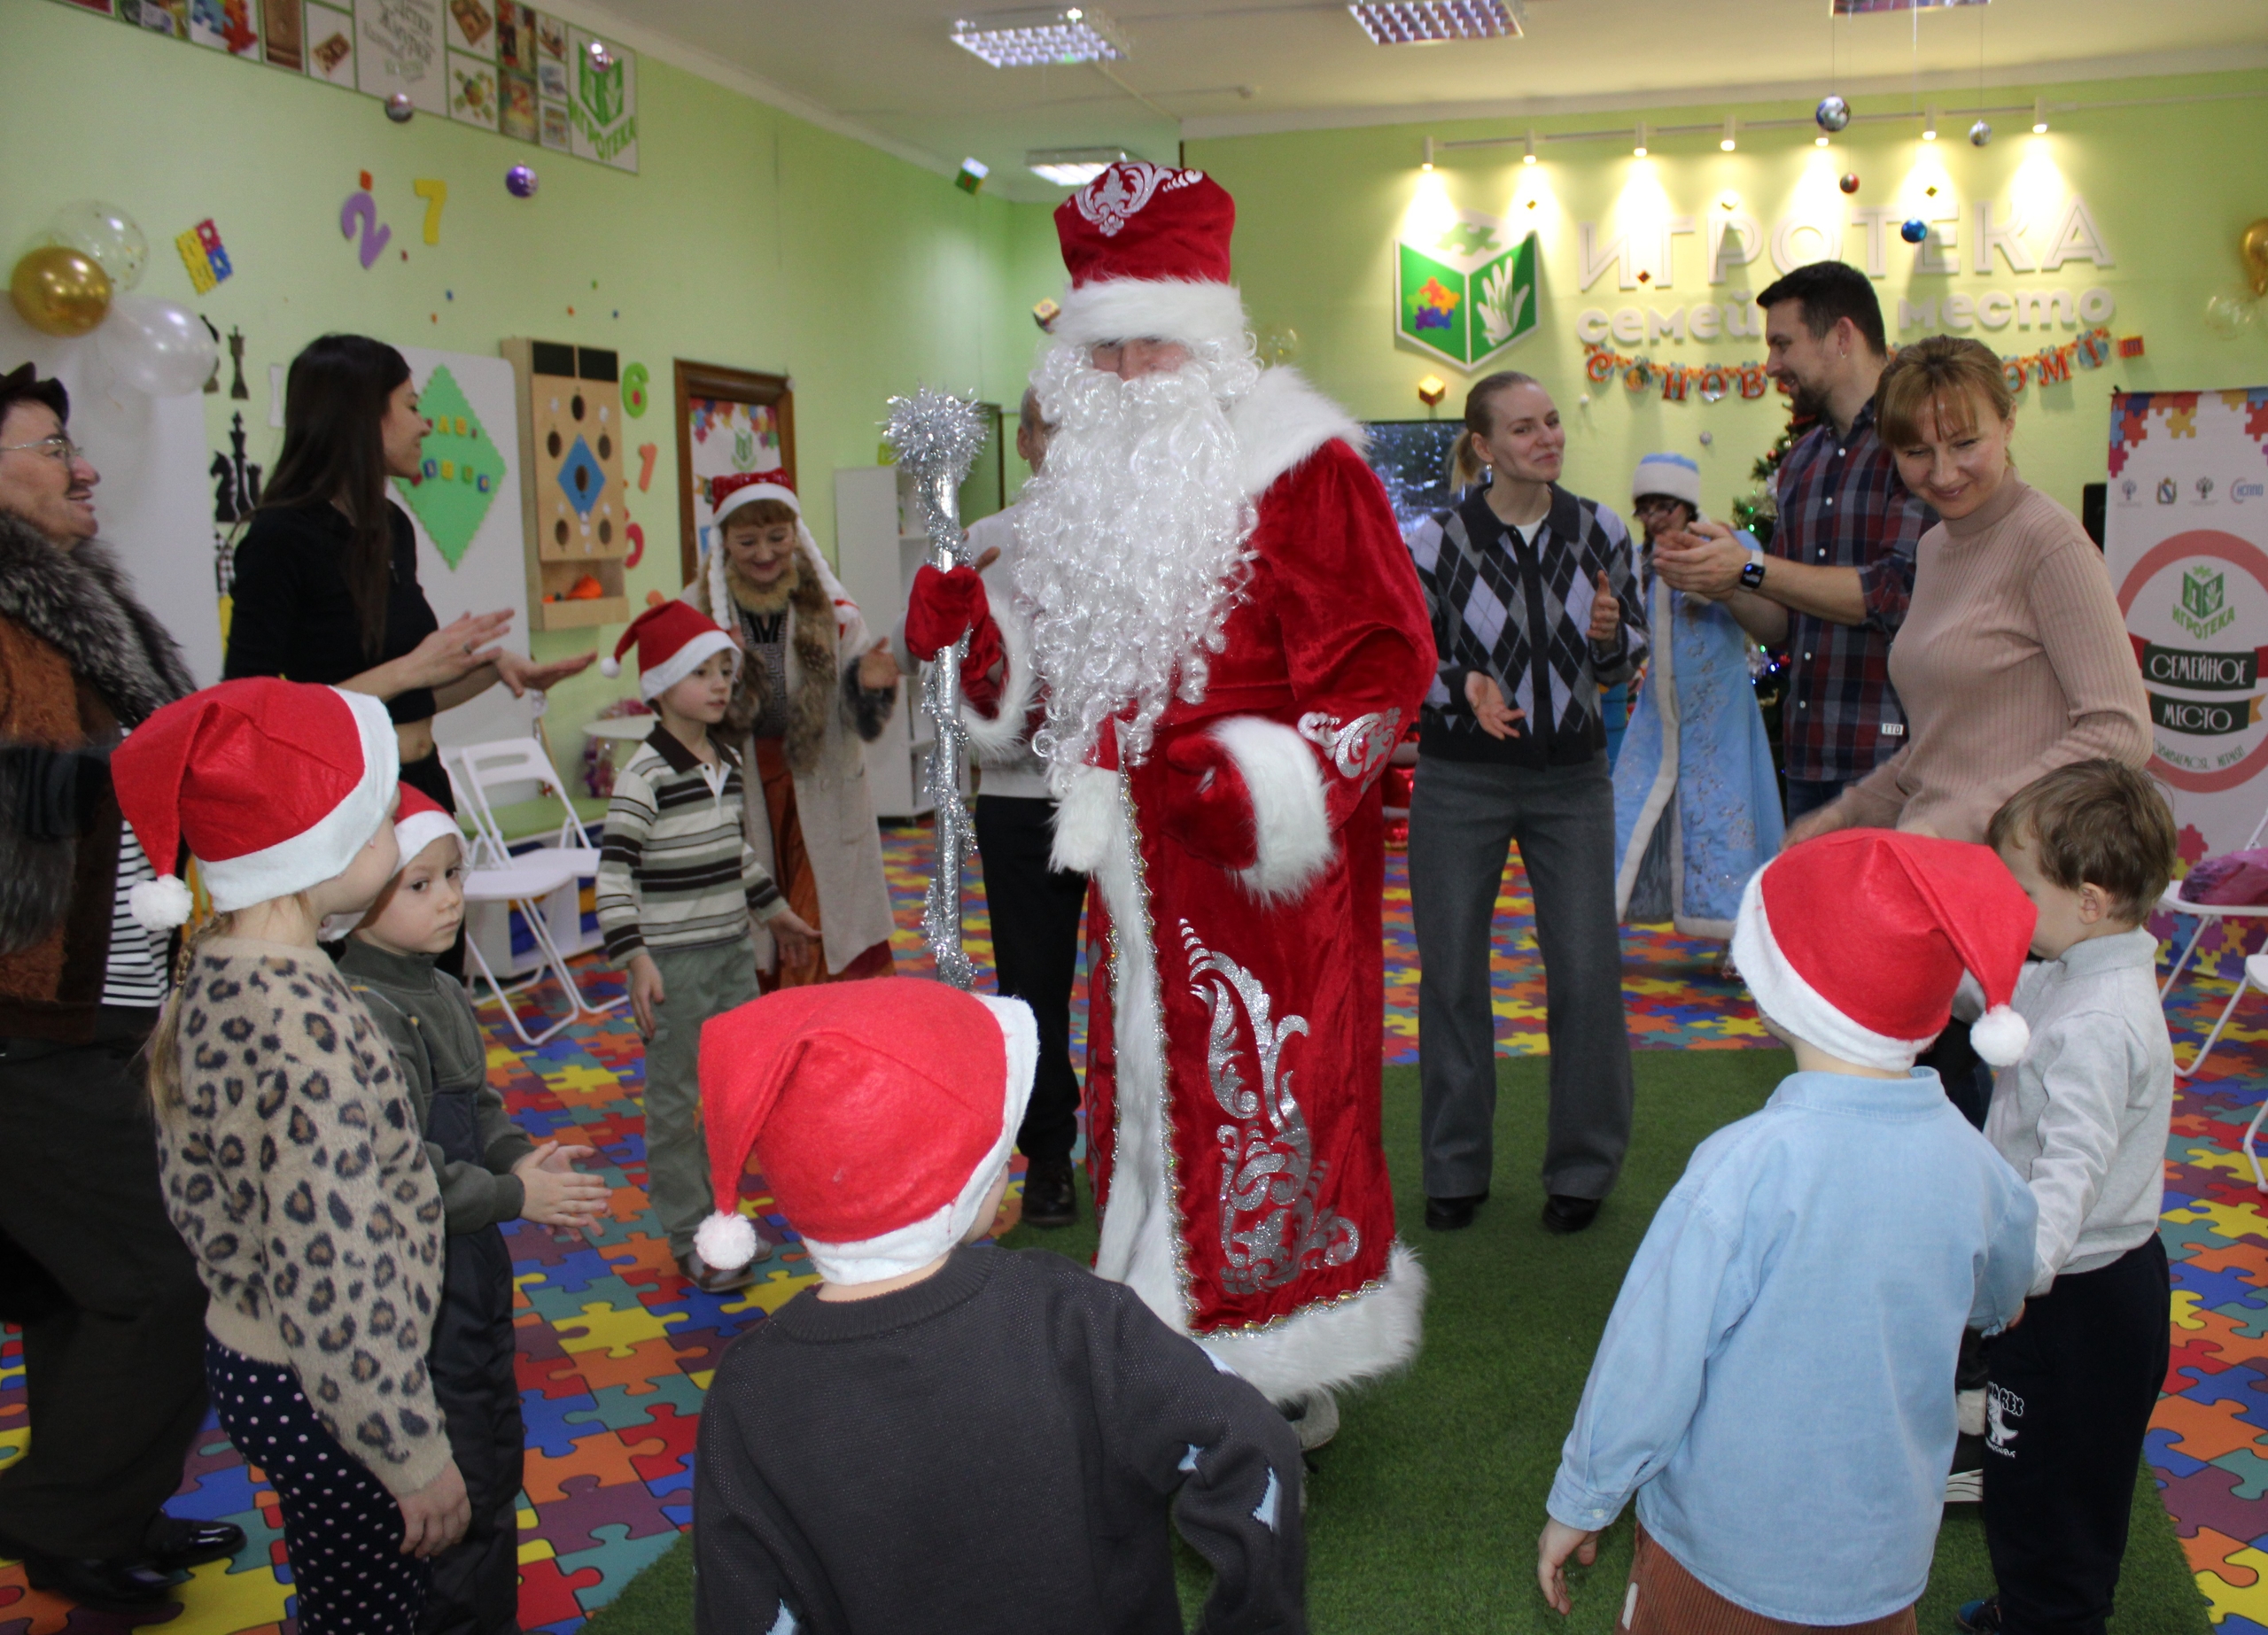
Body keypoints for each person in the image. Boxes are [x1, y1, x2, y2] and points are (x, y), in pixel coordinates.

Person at [905, 161, 1436, 1426]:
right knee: (1150, 1100)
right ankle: (1167, 1340)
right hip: (1136, 871)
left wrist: (1272, 786)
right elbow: (1053, 694)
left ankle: (1267, 1363)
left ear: (1211, 338)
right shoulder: (1077, 498)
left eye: (1155, 341)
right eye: (1105, 348)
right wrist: (977, 641)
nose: (1130, 371)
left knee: (1261, 1101)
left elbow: (1384, 655)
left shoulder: (1302, 465)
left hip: (1261, 874)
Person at [689, 977, 1308, 1635]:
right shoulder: (1075, 1318)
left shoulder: (748, 1392)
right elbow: (1254, 1443)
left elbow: (744, 1606)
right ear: (967, 1177)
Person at [1538, 829, 2039, 1632]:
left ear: (1780, 994)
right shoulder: (1976, 1163)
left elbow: (1650, 1355)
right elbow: (2008, 1286)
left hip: (1717, 1560)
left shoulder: (1742, 1168)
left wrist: (1583, 1498)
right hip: (1883, 1564)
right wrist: (1991, 1303)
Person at [115, 678, 470, 1633]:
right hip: (334, 1391)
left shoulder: (220, 968)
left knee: (335, 1593)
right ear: (321, 845)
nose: (393, 833)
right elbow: (334, 1273)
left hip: (254, 1356)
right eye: (378, 817)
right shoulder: (305, 1029)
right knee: (373, 1613)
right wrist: (411, 1453)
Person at [0, 363, 242, 1612]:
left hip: (105, 1005)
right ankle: (56, 1516)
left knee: (78, 1283)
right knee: (160, 1269)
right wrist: (123, 773)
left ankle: (109, 1514)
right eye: (50, 447)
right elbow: (31, 787)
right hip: (25, 1019)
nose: (82, 465)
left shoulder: (73, 607)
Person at [222, 334, 594, 971]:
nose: (425, 424)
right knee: (374, 997)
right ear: (362, 416)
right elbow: (252, 713)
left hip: (422, 787)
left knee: (440, 985)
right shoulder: (281, 537)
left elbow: (410, 697)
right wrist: (410, 669)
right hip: (352, 810)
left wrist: (493, 670)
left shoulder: (390, 527)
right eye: (412, 406)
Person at [338, 785, 610, 1635]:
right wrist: (516, 1194)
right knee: (458, 1488)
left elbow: (478, 1107)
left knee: (495, 1456)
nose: (450, 899)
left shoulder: (440, 990)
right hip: (417, 1292)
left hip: (473, 1270)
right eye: (420, 884)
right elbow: (400, 1177)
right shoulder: (362, 1012)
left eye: (454, 875)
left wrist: (517, 1158)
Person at [1406, 371, 1646, 1237]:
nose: (1547, 438)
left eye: (1551, 422)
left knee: (1585, 972)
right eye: (1523, 428)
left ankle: (1582, 1170)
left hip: (1572, 783)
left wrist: (1612, 640)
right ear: (1483, 446)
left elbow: (1625, 658)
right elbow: (1406, 660)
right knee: (1451, 977)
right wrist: (1460, 685)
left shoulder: (1600, 530)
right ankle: (1454, 1167)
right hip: (1458, 782)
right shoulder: (1434, 540)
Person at [1954, 762, 2179, 1635]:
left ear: (2089, 900)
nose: (2007, 905)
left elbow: (2070, 1171)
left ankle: (2054, 1616)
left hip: (2079, 1293)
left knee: (2063, 1488)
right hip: (2059, 1280)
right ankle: (2032, 1604)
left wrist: (2017, 1274)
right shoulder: (2069, 965)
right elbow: (1995, 992)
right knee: (2023, 1468)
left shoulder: (2098, 1021)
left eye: (2020, 890)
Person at [1786, 335, 2150, 850]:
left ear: (2007, 423)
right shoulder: (1934, 547)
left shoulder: (2049, 542)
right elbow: (1942, 750)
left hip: (2021, 871)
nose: (1943, 473)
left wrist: (1966, 821)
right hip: (1936, 860)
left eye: (1964, 444)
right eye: (1917, 452)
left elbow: (2120, 732)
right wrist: (1849, 812)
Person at [1652, 261, 1930, 824]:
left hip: (1896, 760)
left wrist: (1750, 567)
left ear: (1842, 336)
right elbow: (1784, 625)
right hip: (1809, 756)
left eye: (1783, 344)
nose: (1771, 365)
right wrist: (1725, 581)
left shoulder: (1916, 442)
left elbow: (1890, 593)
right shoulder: (1803, 461)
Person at [594, 601, 818, 1293]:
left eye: (725, 670)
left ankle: (725, 1218)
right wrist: (636, 959)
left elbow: (735, 855)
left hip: (731, 956)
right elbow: (613, 874)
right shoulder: (644, 776)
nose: (721, 684)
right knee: (676, 1104)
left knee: (733, 1095)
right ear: (661, 686)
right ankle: (689, 1231)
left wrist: (776, 913)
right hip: (675, 967)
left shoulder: (723, 760)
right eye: (702, 673)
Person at [912, 388, 1089, 1228]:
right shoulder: (983, 541)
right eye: (1052, 428)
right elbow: (927, 669)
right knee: (1033, 988)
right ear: (1023, 441)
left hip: (1122, 797)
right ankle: (1049, 1155)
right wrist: (954, 647)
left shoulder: (1135, 537)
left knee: (1146, 981)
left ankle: (1149, 1145)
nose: (1068, 444)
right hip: (1021, 799)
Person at [681, 469, 898, 988]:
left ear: (795, 535)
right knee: (759, 920)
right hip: (746, 789)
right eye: (747, 541)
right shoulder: (697, 610)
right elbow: (679, 703)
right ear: (723, 540)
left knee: (824, 919)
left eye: (777, 537)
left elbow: (858, 716)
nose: (764, 554)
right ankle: (774, 1027)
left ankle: (827, 1026)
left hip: (823, 786)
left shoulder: (830, 605)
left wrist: (869, 686)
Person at [1612, 452, 1783, 939]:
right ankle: (1595, 915)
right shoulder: (1641, 561)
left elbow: (1762, 615)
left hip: (1719, 710)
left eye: (1664, 506)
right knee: (1625, 806)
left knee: (1724, 813)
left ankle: (1736, 934)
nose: (1654, 518)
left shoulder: (1729, 545)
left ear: (1686, 505)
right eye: (1645, 508)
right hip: (1658, 712)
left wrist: (1718, 575)